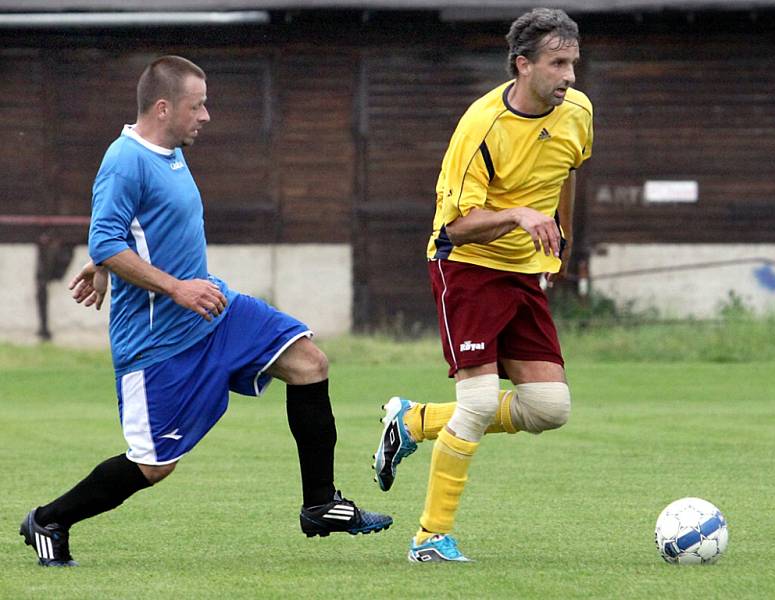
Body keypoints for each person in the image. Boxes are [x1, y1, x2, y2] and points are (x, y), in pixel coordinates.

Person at [20, 55, 391, 567]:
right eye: (198, 106)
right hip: (159, 342)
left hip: (214, 310)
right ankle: (50, 518)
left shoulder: (169, 150)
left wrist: (110, 261)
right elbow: (107, 237)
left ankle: (320, 503)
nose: (207, 116)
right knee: (153, 466)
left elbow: (129, 230)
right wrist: (155, 280)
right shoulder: (125, 159)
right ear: (164, 107)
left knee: (309, 363)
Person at [372, 8, 593, 562]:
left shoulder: (579, 112)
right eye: (557, 63)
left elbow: (566, 176)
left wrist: (558, 245)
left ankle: (415, 420)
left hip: (523, 270)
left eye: (574, 62)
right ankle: (429, 538)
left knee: (548, 407)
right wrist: (520, 215)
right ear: (523, 65)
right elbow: (454, 227)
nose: (569, 76)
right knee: (476, 403)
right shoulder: (480, 127)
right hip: (465, 265)